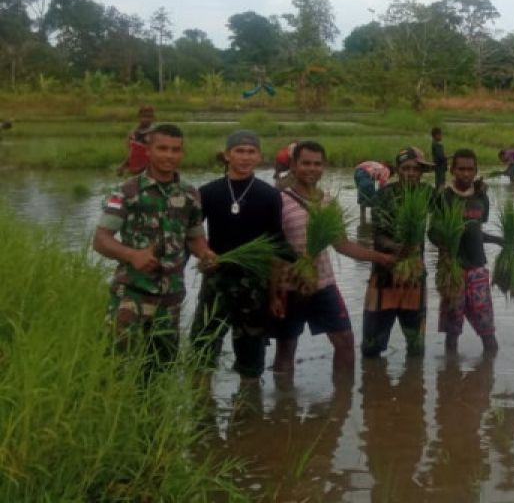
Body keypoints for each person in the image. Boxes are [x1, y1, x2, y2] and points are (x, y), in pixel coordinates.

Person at [92, 123, 217, 369]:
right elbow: (101, 239)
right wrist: (131, 254)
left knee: (161, 369)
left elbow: (194, 237)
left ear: (182, 153)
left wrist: (205, 254)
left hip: (170, 297)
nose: (169, 155)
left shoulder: (190, 194)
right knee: (117, 366)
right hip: (131, 294)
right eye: (162, 148)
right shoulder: (127, 191)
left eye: (175, 149)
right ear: (148, 151)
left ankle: (157, 409)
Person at [271, 141, 394, 374]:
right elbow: (272, 252)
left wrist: (379, 257)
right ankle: (285, 406)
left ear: (323, 167)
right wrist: (273, 294)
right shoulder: (278, 201)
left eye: (317, 164)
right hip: (290, 287)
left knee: (346, 342)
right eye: (305, 163)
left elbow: (342, 244)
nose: (311, 168)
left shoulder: (328, 202)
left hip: (323, 285)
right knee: (286, 348)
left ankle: (342, 405)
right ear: (294, 166)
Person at [191, 129, 291, 379]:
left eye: (251, 152)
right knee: (203, 345)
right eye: (239, 151)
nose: (245, 157)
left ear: (259, 156)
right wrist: (203, 255)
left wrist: (275, 293)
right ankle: (203, 404)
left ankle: (248, 409)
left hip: (254, 283)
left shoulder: (269, 196)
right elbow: (192, 234)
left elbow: (275, 243)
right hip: (216, 278)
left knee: (251, 351)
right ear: (227, 155)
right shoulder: (208, 192)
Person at [362, 147, 435, 358]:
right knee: (371, 346)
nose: (411, 173)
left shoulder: (427, 194)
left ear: (422, 172)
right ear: (398, 170)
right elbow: (377, 236)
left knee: (416, 346)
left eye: (416, 169)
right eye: (406, 168)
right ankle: (374, 384)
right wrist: (399, 248)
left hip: (414, 276)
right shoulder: (384, 195)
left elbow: (447, 216)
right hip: (384, 275)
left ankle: (412, 386)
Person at [436, 148, 503, 354]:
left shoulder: (481, 197)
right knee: (452, 331)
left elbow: (476, 231)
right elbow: (433, 233)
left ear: (476, 171)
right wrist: (447, 243)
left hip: (477, 269)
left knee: (487, 330)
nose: (466, 173)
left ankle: (487, 376)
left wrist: (499, 240)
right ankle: (450, 376)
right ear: (452, 170)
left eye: (470, 169)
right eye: (461, 169)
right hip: (453, 270)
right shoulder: (444, 197)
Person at [116, 104, 156, 176]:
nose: (146, 119)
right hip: (135, 170)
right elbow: (132, 154)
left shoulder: (156, 133)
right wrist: (123, 166)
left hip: (150, 170)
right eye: (144, 116)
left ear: (153, 118)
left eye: (149, 117)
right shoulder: (133, 134)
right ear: (139, 117)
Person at [354, 158, 392, 223]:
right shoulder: (387, 170)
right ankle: (373, 218)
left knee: (363, 197)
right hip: (365, 173)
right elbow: (382, 183)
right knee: (373, 199)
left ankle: (362, 219)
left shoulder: (379, 167)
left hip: (357, 172)